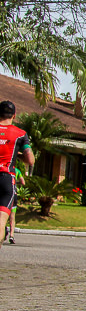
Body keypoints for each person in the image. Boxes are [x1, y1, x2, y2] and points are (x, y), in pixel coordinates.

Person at [0, 101, 35, 249]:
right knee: (1, 221)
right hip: (6, 179)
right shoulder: (20, 134)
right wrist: (17, 156)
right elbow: (30, 160)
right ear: (14, 115)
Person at [4, 163, 26, 244]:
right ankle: (12, 235)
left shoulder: (3, 168)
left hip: (3, 195)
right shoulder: (17, 171)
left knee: (2, 215)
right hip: (14, 194)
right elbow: (23, 182)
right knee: (12, 218)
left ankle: (4, 229)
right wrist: (15, 184)